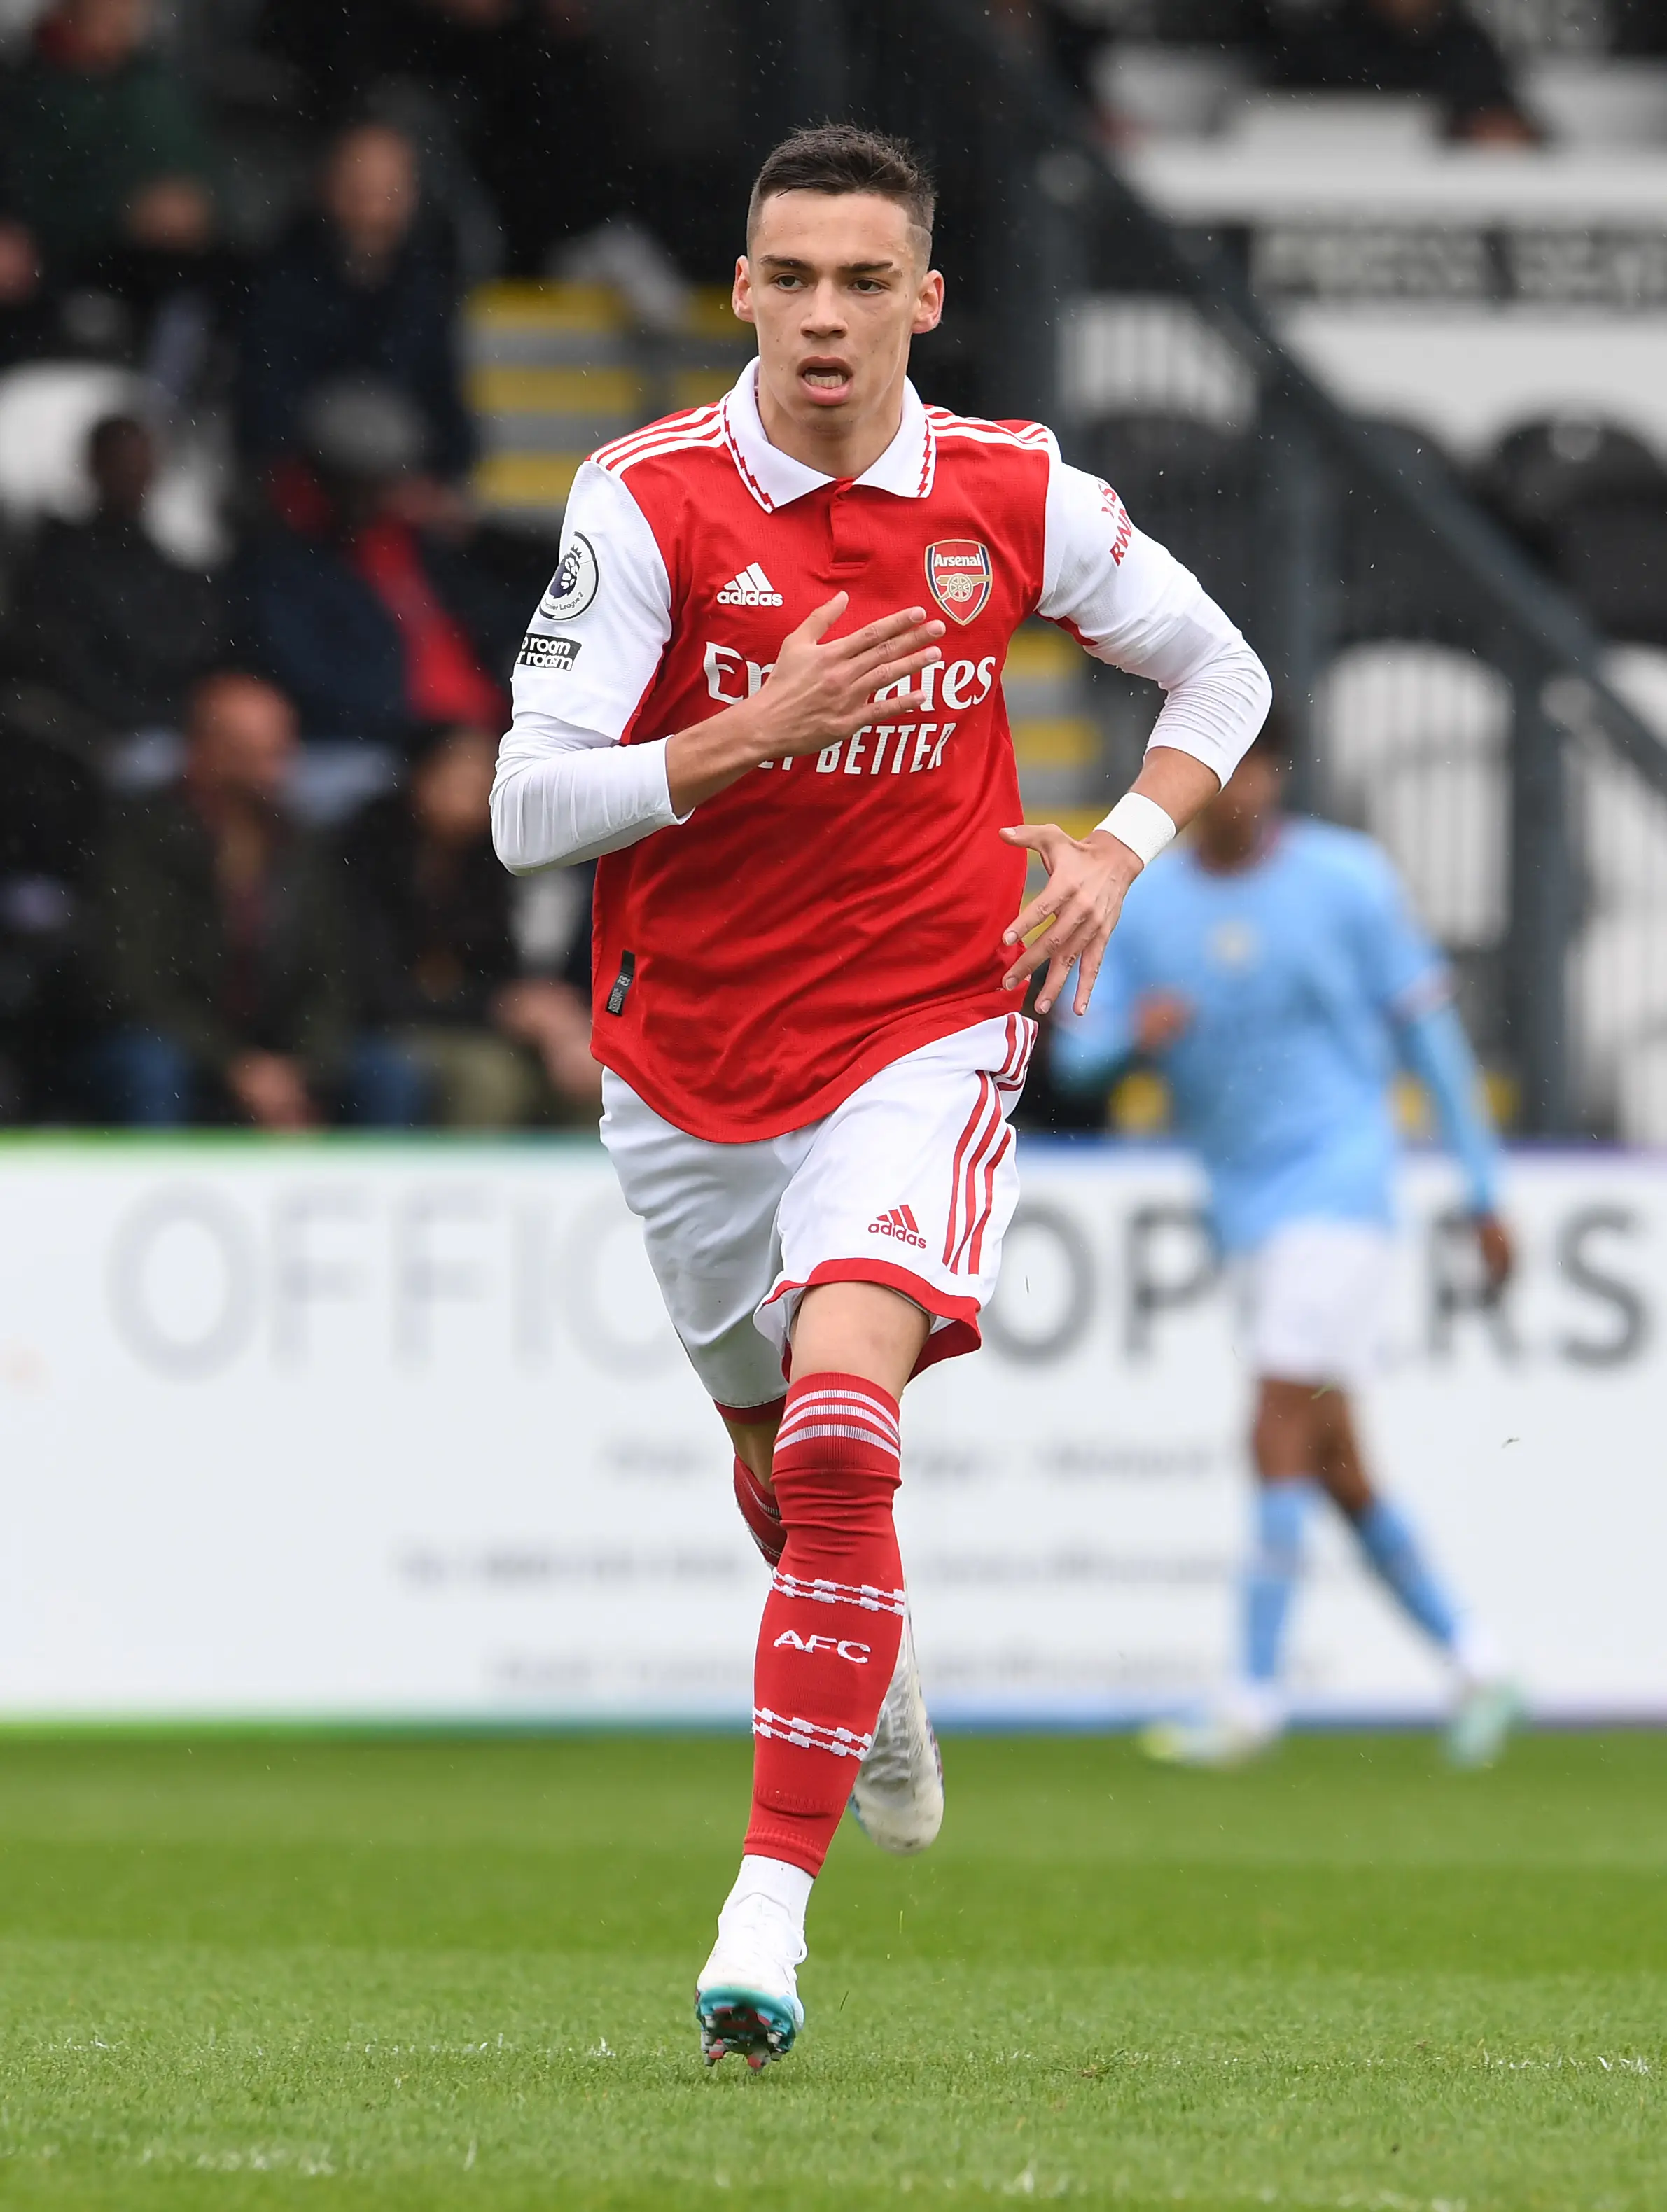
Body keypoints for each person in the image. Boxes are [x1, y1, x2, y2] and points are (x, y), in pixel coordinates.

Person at [490, 124, 1270, 2068]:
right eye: (789, 279)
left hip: (926, 1022)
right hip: (684, 1054)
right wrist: (741, 736)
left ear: (923, 298)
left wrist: (1117, 847)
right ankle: (875, 1671)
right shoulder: (648, 497)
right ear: (741, 294)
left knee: (844, 1431)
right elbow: (527, 805)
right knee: (779, 1476)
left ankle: (762, 1920)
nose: (823, 318)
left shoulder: (1010, 489)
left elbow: (1221, 674)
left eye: (861, 282)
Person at [1051, 720, 1522, 1771]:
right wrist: (1132, 1041)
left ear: (1275, 775)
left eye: (1254, 768)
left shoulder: (1347, 882)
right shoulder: (1147, 903)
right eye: (1220, 771)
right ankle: (1477, 1660)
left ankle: (1251, 1700)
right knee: (1334, 1463)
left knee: (1271, 1422)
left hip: (1340, 1187)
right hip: (1244, 1208)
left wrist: (1484, 1191)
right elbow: (1075, 1060)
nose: (1238, 790)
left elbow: (1430, 1040)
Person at [94, 670, 380, 1128]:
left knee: (386, 1072)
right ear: (203, 751)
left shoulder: (302, 845)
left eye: (282, 749)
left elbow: (331, 976)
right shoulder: (144, 839)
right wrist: (234, 1064)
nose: (278, 769)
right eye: (254, 752)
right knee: (150, 1067)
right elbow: (137, 984)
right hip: (176, 1043)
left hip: (279, 1048)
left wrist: (303, 1066)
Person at [343, 721, 599, 1126]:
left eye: (484, 776)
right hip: (387, 1025)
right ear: (419, 776)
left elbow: (515, 969)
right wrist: (496, 1005)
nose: (472, 788)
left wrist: (554, 1019)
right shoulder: (364, 855)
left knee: (596, 1071)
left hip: (482, 1022)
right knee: (490, 1079)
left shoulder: (503, 858)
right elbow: (371, 985)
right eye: (457, 772)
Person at [238, 120, 474, 497]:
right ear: (328, 189)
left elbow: (447, 409)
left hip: (403, 493)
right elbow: (266, 412)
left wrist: (431, 485)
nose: (372, 211)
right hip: (307, 494)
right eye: (359, 191)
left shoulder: (427, 286)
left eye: (389, 193)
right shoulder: (283, 283)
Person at [6, 413, 226, 740]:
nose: (133, 475)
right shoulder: (60, 564)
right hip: (89, 735)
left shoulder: (165, 566)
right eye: (123, 463)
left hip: (170, 728)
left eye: (141, 463)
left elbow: (196, 652)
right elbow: (70, 670)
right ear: (95, 466)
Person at [0, 0, 216, 293]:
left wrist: (194, 206)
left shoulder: (152, 88)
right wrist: (124, 211)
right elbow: (32, 194)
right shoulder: (29, 88)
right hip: (59, 270)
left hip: (155, 271)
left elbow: (205, 180)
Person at [1267, 0, 1536, 145]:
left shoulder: (1466, 42)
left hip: (1432, 205)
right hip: (1326, 197)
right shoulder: (1324, 39)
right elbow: (1272, 117)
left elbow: (1502, 120)